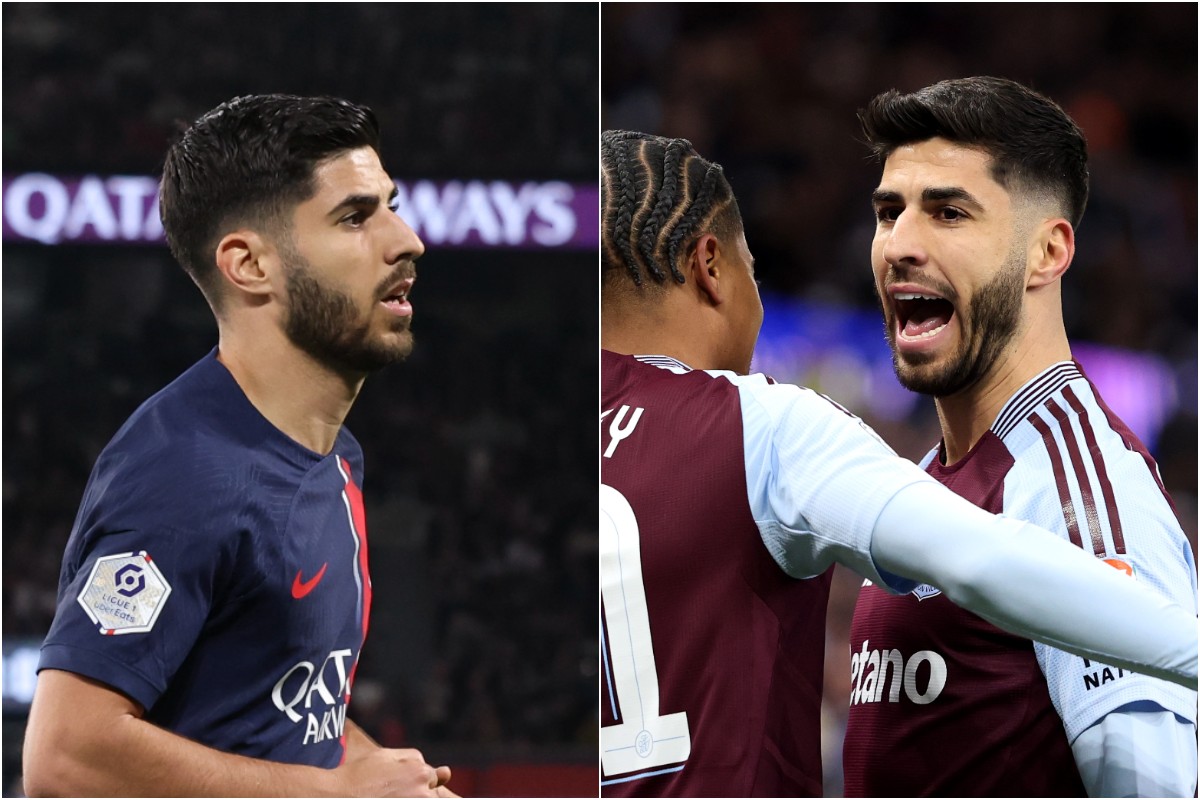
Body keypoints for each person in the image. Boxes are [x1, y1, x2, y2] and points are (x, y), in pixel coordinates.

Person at [598, 129, 1196, 797]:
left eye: (946, 213)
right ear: (710, 266)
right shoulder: (758, 424)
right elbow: (981, 559)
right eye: (752, 269)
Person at [22, 94, 456, 797]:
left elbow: (287, 710)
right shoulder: (182, 473)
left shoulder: (335, 454)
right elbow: (65, 759)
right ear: (250, 264)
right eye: (355, 216)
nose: (407, 239)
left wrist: (388, 777)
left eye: (391, 204)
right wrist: (338, 796)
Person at [843, 76, 1197, 797]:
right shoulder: (931, 480)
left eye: (948, 212)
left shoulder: (1084, 494)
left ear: (1048, 253)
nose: (900, 245)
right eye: (889, 212)